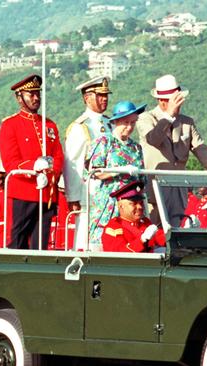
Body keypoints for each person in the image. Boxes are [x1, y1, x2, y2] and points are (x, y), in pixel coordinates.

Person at [0, 74, 64, 250]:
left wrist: (51, 174)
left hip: (46, 193)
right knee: (17, 240)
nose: (36, 98)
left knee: (41, 243)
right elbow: (10, 161)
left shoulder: (49, 125)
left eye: (37, 94)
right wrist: (33, 168)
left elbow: (58, 156)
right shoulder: (10, 125)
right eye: (31, 94)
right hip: (23, 191)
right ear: (19, 97)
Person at [136, 74, 207, 226]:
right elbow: (154, 139)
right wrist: (168, 116)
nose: (179, 104)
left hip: (178, 192)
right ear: (162, 101)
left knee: (176, 232)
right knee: (154, 232)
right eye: (175, 100)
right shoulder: (146, 118)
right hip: (155, 191)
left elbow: (201, 149)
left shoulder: (187, 122)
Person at [86, 101, 146, 250]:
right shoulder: (105, 141)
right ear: (116, 122)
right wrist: (120, 170)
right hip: (110, 200)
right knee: (106, 240)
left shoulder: (136, 147)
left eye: (133, 122)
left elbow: (142, 179)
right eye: (126, 122)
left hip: (131, 200)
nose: (130, 127)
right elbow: (96, 172)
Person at [63, 76, 112, 250]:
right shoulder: (79, 127)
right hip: (89, 191)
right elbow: (72, 164)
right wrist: (73, 196)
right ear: (87, 97)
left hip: (110, 190)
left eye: (105, 95)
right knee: (85, 237)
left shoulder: (111, 123)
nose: (104, 99)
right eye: (99, 95)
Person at [101, 181, 166, 252]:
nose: (140, 207)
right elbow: (119, 254)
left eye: (141, 203)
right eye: (134, 203)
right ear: (121, 206)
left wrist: (173, 236)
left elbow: (161, 237)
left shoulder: (145, 223)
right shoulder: (114, 228)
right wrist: (141, 240)